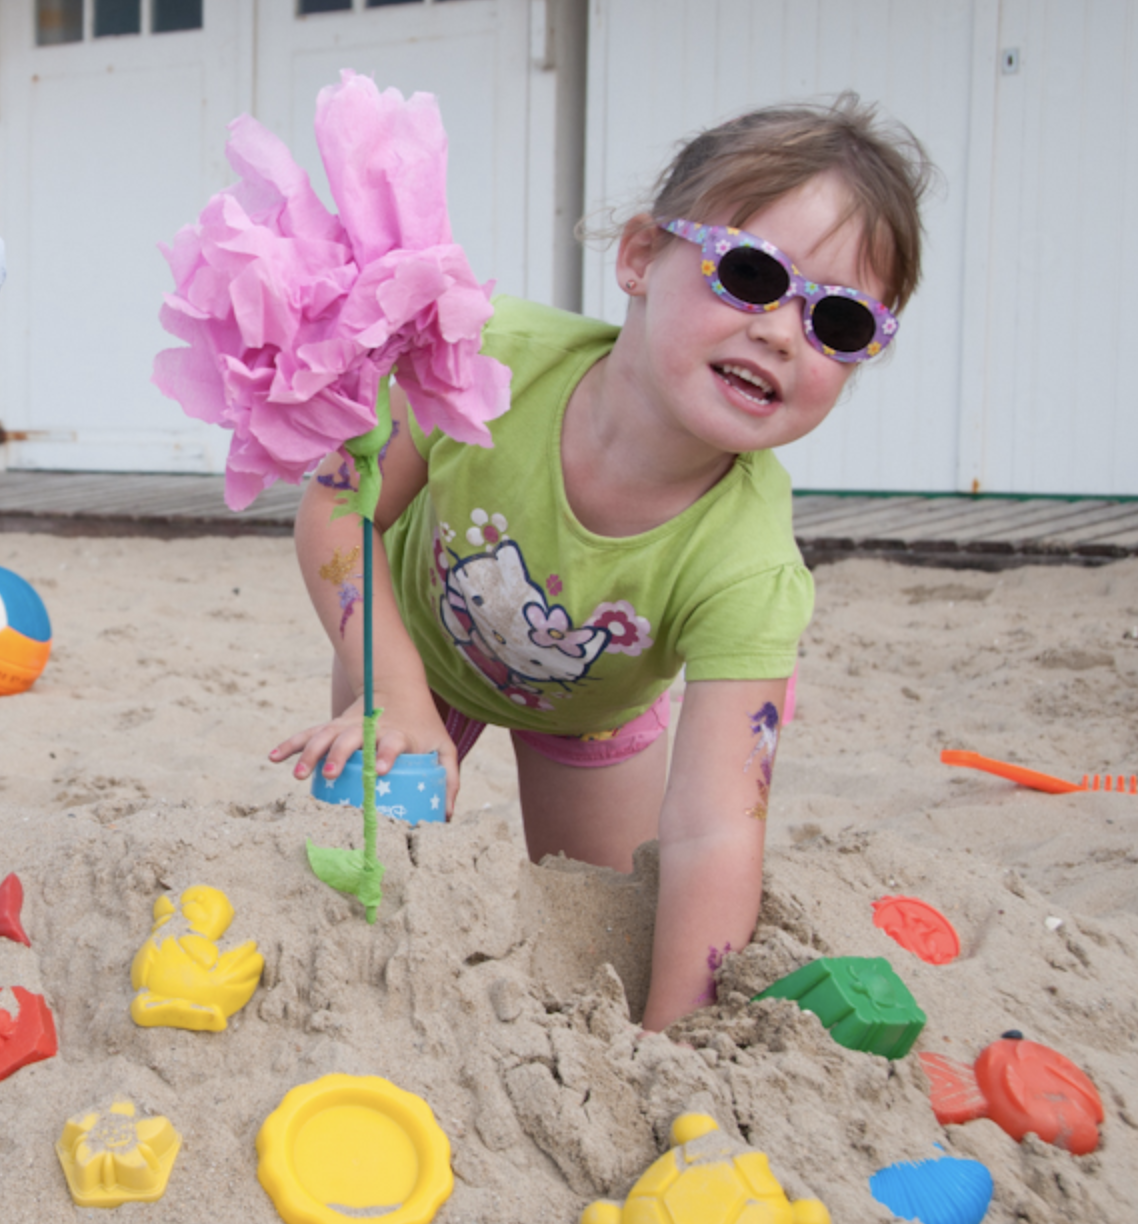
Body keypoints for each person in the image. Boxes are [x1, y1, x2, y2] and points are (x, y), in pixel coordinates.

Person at [271, 95, 932, 1031]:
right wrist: (392, 691)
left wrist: (673, 1046)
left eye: (842, 322)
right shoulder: (483, 358)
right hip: (411, 645)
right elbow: (341, 505)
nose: (784, 332)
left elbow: (714, 829)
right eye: (750, 274)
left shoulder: (749, 565)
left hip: (591, 713)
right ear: (637, 257)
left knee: (605, 936)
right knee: (357, 876)